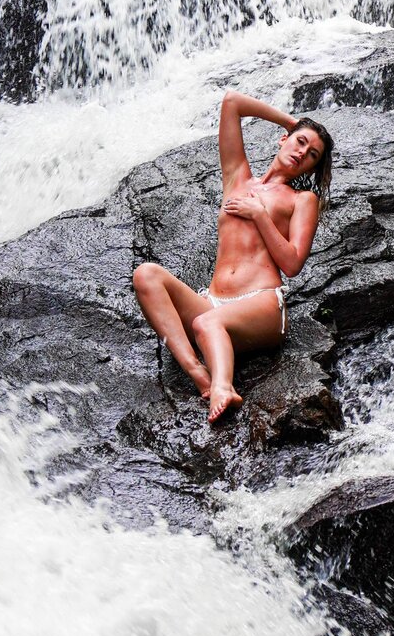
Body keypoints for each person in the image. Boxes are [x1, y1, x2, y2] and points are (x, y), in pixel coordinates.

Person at [132, 90, 334, 424]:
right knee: (146, 275)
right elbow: (232, 103)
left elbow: (293, 263)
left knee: (206, 323)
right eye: (300, 142)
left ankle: (223, 387)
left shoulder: (302, 200)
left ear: (313, 167)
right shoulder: (237, 177)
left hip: (262, 304)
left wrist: (260, 215)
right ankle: (198, 373)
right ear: (283, 139)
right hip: (214, 303)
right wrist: (290, 121)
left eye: (312, 154)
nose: (302, 153)